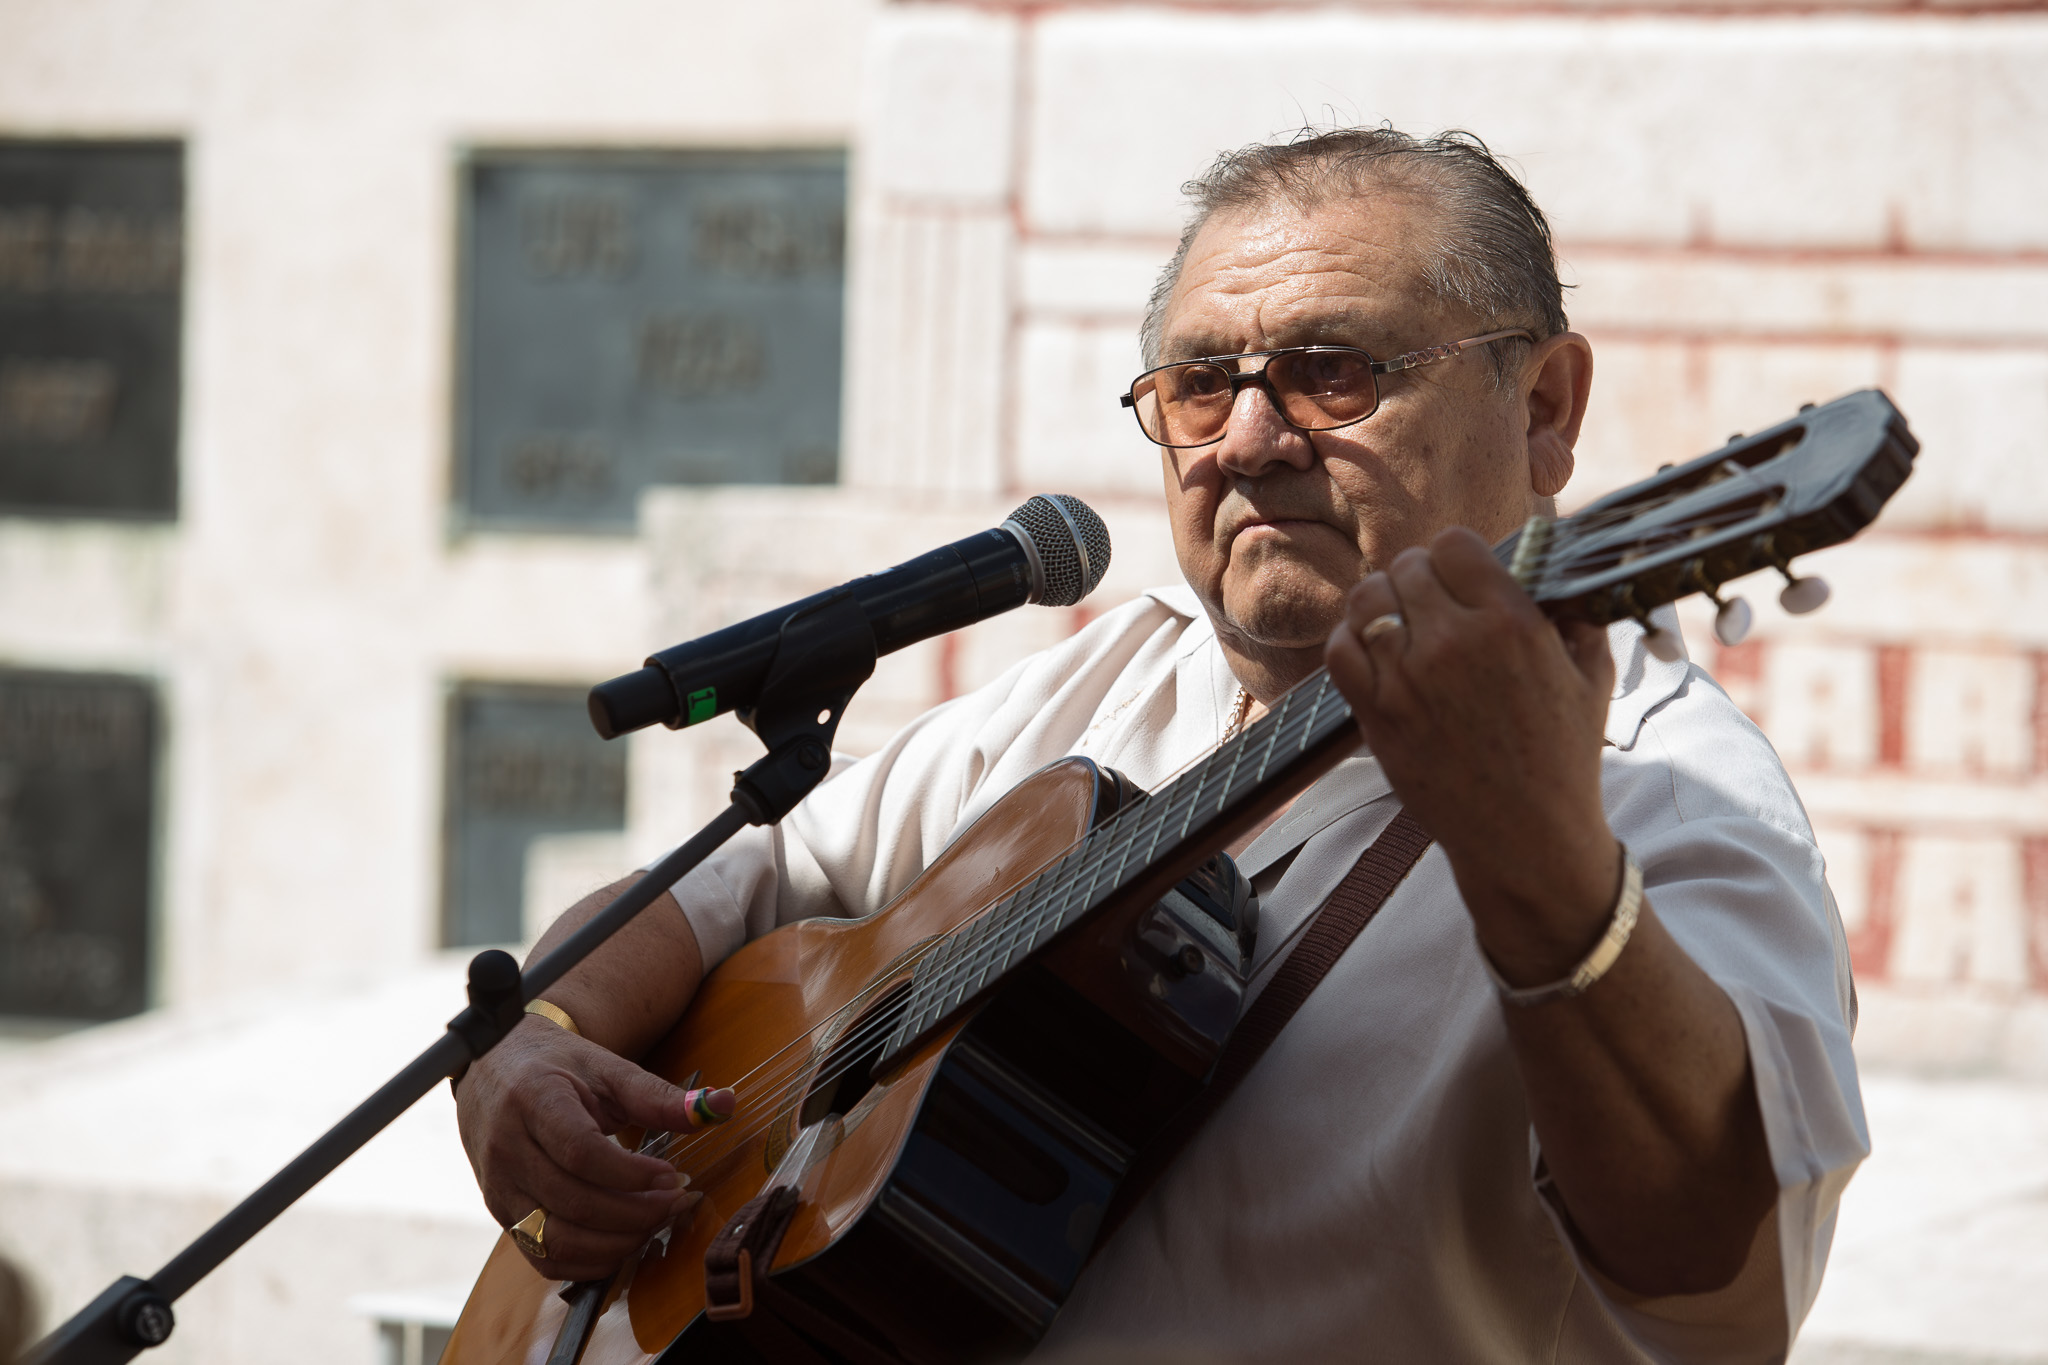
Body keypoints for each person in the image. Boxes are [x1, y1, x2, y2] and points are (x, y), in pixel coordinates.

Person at [454, 126, 1867, 1361]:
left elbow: (1724, 1285)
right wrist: (534, 1045)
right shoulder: (1096, 692)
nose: (1246, 440)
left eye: (1332, 372)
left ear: (1546, 407)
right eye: (1199, 384)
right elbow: (731, 890)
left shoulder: (1669, 796)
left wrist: (1547, 866)